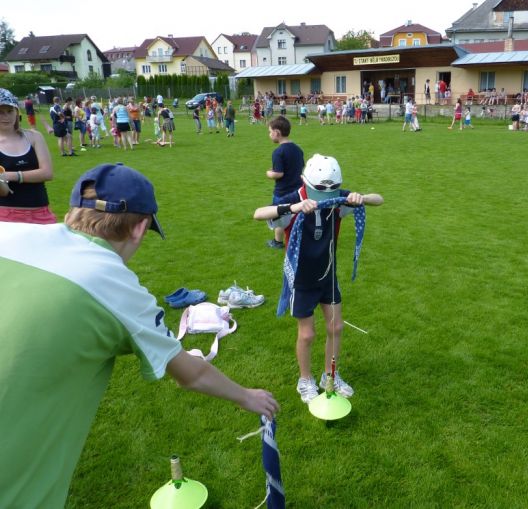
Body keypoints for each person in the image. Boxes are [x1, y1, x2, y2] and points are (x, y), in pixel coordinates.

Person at [0, 163, 279, 508]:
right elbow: (191, 373)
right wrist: (247, 397)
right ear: (140, 228)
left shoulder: (8, 234)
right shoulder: (112, 284)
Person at [253, 154, 384, 404]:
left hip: (327, 274)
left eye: (331, 191)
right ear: (306, 182)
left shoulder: (337, 199)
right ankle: (305, 380)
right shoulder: (295, 199)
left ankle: (329, 376)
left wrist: (360, 198)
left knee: (336, 327)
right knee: (307, 335)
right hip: (301, 279)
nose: (325, 197)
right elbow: (258, 213)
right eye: (319, 191)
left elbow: (380, 199)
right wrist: (292, 208)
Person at [0, 88, 56, 224]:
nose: (5, 116)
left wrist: (10, 176)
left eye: (9, 111)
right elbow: (3, 192)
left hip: (41, 213)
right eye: (0, 112)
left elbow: (47, 173)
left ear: (16, 112)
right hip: (6, 217)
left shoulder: (34, 136)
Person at [265, 116, 304, 249]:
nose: (269, 135)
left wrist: (269, 173)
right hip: (298, 191)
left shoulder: (278, 152)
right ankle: (297, 240)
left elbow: (279, 173)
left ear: (277, 132)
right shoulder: (298, 149)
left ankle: (277, 242)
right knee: (296, 216)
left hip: (282, 191)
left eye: (270, 132)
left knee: (280, 216)